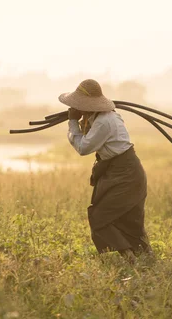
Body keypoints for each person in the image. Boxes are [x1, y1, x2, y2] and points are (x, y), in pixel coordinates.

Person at [58, 79, 152, 263]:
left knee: (101, 217)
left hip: (127, 174)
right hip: (120, 171)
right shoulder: (97, 118)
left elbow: (83, 148)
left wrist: (72, 123)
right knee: (126, 219)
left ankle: (131, 259)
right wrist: (79, 119)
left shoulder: (104, 121)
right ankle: (144, 262)